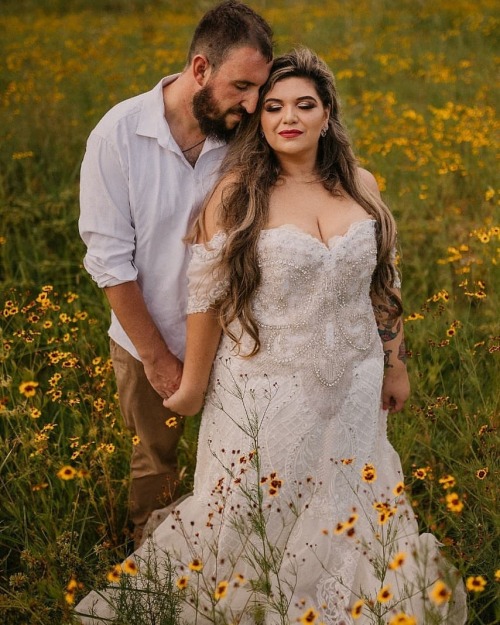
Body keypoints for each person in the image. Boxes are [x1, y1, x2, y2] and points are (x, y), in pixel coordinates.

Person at [76, 48, 467, 624]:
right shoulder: (239, 193)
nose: (289, 117)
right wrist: (191, 384)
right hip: (267, 388)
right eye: (275, 106)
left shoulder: (361, 185)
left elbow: (382, 281)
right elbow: (206, 299)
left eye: (305, 104)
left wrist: (394, 362)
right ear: (259, 120)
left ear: (327, 112)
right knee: (254, 513)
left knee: (351, 499)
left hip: (353, 386)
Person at [78, 0, 273, 548]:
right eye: (241, 86)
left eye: (258, 89)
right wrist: (158, 356)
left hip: (236, 338)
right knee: (155, 458)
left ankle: (229, 548)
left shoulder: (246, 139)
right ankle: (148, 549)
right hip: (147, 335)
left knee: (239, 450)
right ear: (200, 69)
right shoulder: (118, 134)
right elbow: (109, 262)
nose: (252, 102)